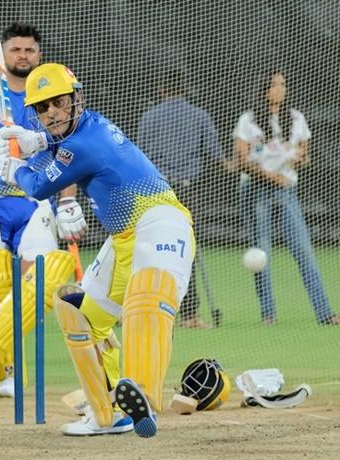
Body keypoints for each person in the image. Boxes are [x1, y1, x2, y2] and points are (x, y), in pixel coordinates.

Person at [0, 63, 195, 437]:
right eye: (41, 108)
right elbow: (60, 148)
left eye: (58, 102)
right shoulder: (88, 127)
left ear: (75, 100)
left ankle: (144, 395)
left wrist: (16, 166)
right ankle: (108, 415)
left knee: (147, 294)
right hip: (123, 240)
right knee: (77, 313)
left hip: (161, 220)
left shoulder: (84, 144)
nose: (51, 112)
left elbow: (40, 186)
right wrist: (34, 142)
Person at [0, 23, 85, 397]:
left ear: (39, 55)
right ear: (3, 54)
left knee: (40, 281)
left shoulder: (51, 97)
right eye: (16, 49)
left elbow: (65, 153)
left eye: (30, 50)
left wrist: (68, 200)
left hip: (36, 198)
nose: (23, 55)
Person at [232, 69, 339, 326]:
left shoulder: (296, 118)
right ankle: (268, 315)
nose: (280, 88)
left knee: (304, 250)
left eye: (283, 84)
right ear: (264, 89)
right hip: (255, 191)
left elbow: (304, 154)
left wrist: (299, 161)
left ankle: (325, 313)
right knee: (261, 255)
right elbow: (242, 158)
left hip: (286, 190)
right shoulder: (248, 119)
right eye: (274, 84)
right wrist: (269, 175)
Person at [137, 71, 224, 329]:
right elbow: (216, 154)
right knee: (185, 251)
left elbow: (140, 156)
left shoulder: (149, 116)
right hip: (186, 193)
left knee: (150, 249)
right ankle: (189, 315)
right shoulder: (199, 115)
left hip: (156, 193)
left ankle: (146, 309)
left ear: (162, 89)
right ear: (185, 89)